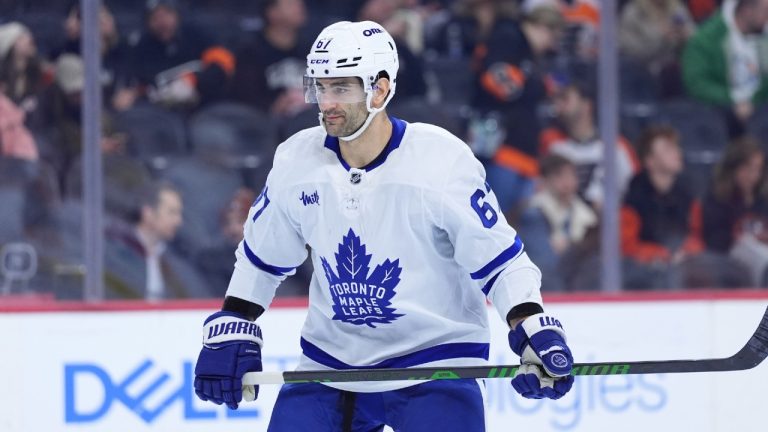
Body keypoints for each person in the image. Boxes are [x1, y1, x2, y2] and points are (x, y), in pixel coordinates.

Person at [193, 20, 574, 431]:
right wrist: (236, 324)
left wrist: (531, 326)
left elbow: (500, 262)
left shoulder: (441, 162)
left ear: (379, 89)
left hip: (436, 362)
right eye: (320, 87)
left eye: (342, 88)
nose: (327, 102)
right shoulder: (296, 160)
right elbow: (261, 258)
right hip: (333, 363)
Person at [473, 5, 565, 217]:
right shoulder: (508, 37)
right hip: (500, 150)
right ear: (542, 27)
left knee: (520, 223)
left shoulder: (530, 56)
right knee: (495, 219)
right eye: (552, 37)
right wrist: (540, 86)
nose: (550, 45)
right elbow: (496, 79)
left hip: (525, 151)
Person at [620, 125, 704, 289]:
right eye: (667, 149)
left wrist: (687, 251)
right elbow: (627, 246)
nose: (677, 153)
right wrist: (661, 255)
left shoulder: (687, 193)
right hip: (645, 274)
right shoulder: (634, 199)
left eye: (676, 147)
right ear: (650, 161)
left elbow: (698, 235)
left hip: (684, 267)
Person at [540, 77, 640, 208]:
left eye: (565, 98)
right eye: (555, 100)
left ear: (586, 105)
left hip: (608, 217)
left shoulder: (618, 146)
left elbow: (635, 190)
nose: (558, 105)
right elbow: (540, 188)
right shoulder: (552, 144)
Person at [104, 180, 210, 300]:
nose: (178, 221)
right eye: (172, 212)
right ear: (148, 213)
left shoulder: (176, 262)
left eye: (179, 214)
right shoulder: (113, 253)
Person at [681, 0, 768, 136]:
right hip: (722, 111)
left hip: (760, 105)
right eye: (766, 12)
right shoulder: (705, 40)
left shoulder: (764, 35)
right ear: (747, 11)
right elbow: (697, 84)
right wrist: (733, 100)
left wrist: (752, 102)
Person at [517, 154, 597, 291]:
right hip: (547, 286)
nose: (567, 182)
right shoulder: (533, 213)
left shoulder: (587, 216)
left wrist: (570, 246)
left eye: (571, 176)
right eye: (559, 176)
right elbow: (546, 261)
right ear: (545, 181)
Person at [702, 136, 768, 285]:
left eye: (757, 169)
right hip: (730, 258)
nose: (753, 175)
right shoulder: (719, 198)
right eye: (748, 169)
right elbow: (716, 241)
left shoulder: (763, 199)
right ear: (734, 168)